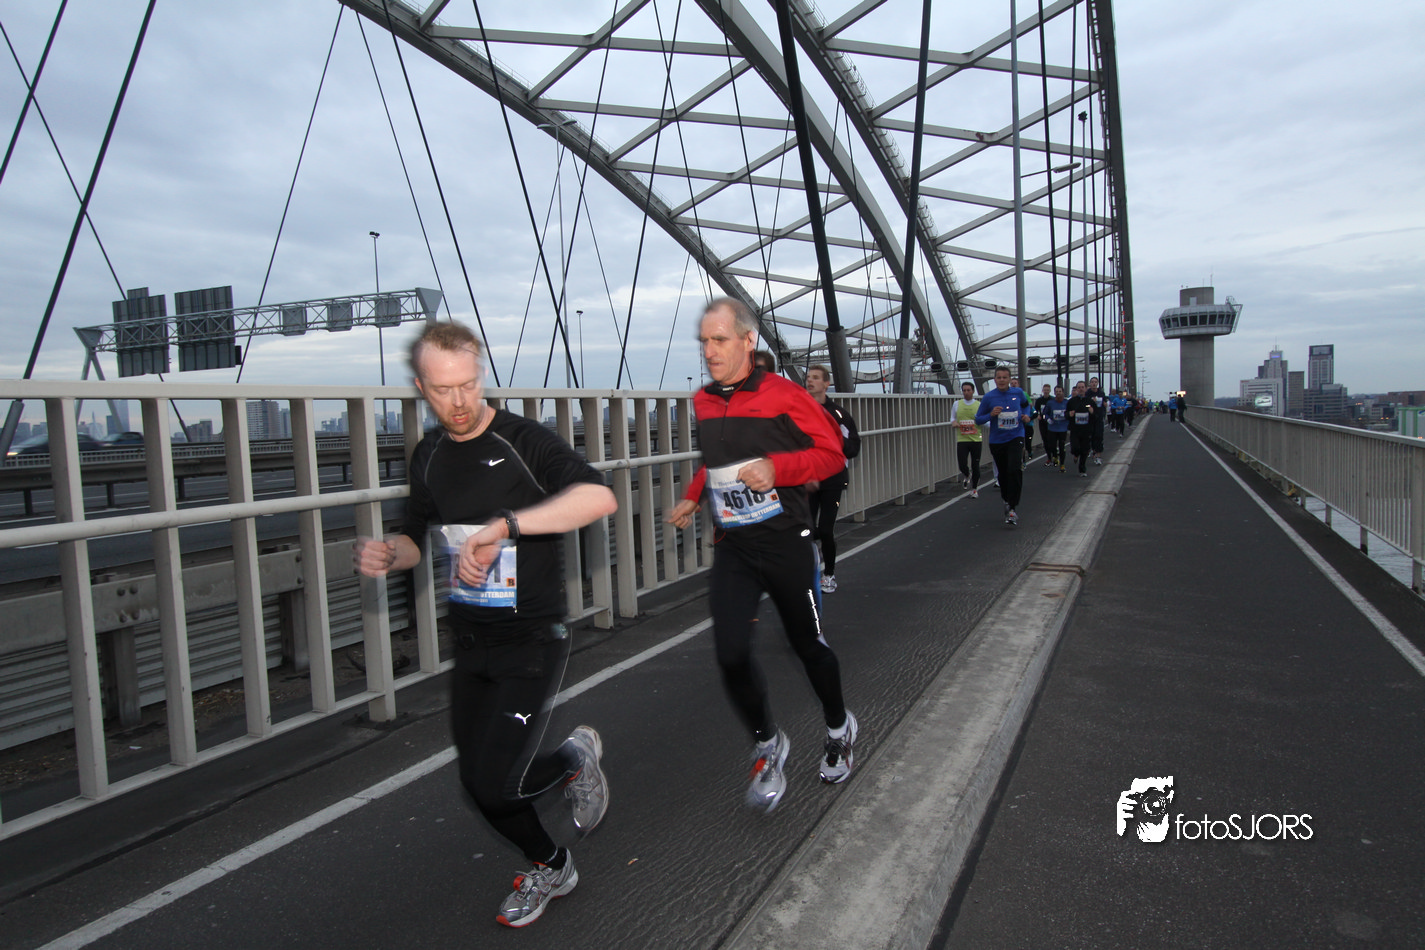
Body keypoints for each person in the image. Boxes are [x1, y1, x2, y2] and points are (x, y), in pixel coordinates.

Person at [352, 322, 617, 929]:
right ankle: (555, 850)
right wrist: (389, 553)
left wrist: (506, 526)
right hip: (471, 640)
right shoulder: (429, 455)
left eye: (469, 385)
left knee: (496, 783)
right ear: (421, 388)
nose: (460, 401)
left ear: (480, 375)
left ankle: (567, 784)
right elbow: (416, 537)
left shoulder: (523, 440)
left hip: (531, 637)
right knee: (479, 784)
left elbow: (598, 497)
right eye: (443, 390)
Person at [665, 298, 858, 812]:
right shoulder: (703, 400)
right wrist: (693, 496)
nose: (709, 351)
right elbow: (717, 462)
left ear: (748, 341)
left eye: (719, 340)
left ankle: (839, 727)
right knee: (730, 653)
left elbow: (832, 455)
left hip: (784, 541)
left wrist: (777, 468)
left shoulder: (786, 395)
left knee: (807, 644)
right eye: (704, 342)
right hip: (734, 546)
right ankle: (768, 744)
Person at [804, 363, 860, 593]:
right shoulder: (798, 412)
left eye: (816, 377)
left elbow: (853, 449)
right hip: (807, 480)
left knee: (825, 530)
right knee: (804, 530)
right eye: (808, 377)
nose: (810, 381)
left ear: (826, 384)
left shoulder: (839, 415)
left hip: (833, 480)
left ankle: (828, 574)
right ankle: (807, 572)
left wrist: (835, 439)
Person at [974, 365, 1033, 525]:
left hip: (1016, 436)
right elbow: (978, 419)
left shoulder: (1018, 393)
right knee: (1003, 474)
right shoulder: (989, 397)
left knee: (1014, 469)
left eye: (1004, 377)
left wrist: (1026, 415)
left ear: (1009, 379)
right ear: (995, 379)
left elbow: (1026, 405)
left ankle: (1012, 507)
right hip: (997, 440)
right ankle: (1007, 500)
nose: (1001, 380)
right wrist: (991, 414)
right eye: (999, 377)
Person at [954, 381, 983, 499]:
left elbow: (983, 420)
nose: (966, 392)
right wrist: (953, 422)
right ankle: (966, 474)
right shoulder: (957, 404)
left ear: (973, 391)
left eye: (968, 390)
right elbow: (952, 418)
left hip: (976, 439)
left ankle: (974, 489)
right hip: (962, 439)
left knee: (975, 465)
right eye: (964, 390)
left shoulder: (978, 405)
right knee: (962, 464)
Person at [1065, 380, 1095, 476]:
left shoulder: (1090, 401)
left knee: (1085, 450)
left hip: (1086, 429)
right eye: (1079, 388)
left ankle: (1082, 469)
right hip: (1075, 429)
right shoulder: (1072, 401)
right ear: (1076, 389)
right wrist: (1069, 414)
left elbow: (1096, 416)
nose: (1081, 389)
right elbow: (1066, 414)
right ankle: (1075, 454)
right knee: (1075, 448)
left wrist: (1092, 412)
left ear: (1086, 389)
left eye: (1082, 387)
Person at [1044, 384, 1069, 471]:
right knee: (1052, 446)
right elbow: (1045, 413)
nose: (1058, 393)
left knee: (1062, 446)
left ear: (1063, 392)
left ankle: (1062, 464)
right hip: (1052, 428)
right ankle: (1054, 455)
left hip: (1063, 428)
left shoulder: (1066, 403)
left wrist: (1068, 417)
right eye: (1056, 392)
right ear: (1054, 393)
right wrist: (1047, 419)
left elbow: (1070, 413)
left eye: (1060, 391)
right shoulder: (1050, 403)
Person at [1086, 376, 1107, 465]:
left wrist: (1104, 404)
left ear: (1097, 383)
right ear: (1090, 383)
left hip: (1099, 417)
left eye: (1095, 382)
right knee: (1091, 436)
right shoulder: (1088, 393)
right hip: (1090, 418)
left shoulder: (1101, 393)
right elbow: (1085, 404)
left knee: (1099, 436)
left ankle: (1098, 456)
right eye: (1092, 382)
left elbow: (1105, 403)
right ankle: (1092, 449)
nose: (1094, 384)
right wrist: (1090, 405)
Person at [1034, 383, 1054, 467]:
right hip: (1042, 422)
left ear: (1050, 391)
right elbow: (1035, 410)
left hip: (1051, 422)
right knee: (1045, 440)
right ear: (1042, 391)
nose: (1046, 391)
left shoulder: (1052, 400)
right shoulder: (1039, 400)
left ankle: (1054, 454)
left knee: (1051, 440)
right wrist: (1037, 415)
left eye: (1047, 390)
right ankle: (1049, 457)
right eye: (1044, 390)